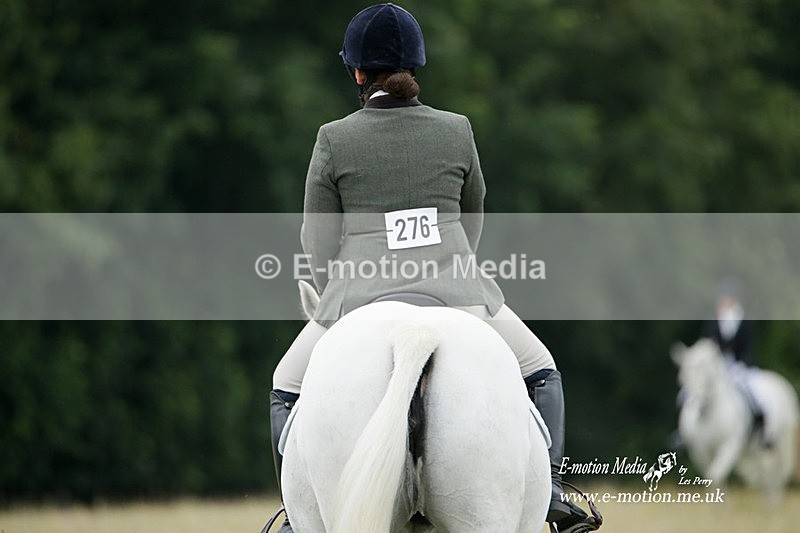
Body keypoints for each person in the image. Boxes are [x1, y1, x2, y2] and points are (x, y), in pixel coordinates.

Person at [269, 4, 598, 532]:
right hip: (456, 294)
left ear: (357, 72)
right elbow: (474, 220)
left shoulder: (333, 138)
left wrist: (339, 290)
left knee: (286, 387)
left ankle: (297, 512)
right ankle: (554, 493)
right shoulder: (457, 130)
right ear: (416, 66)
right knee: (541, 370)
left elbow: (317, 242)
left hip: (358, 299)